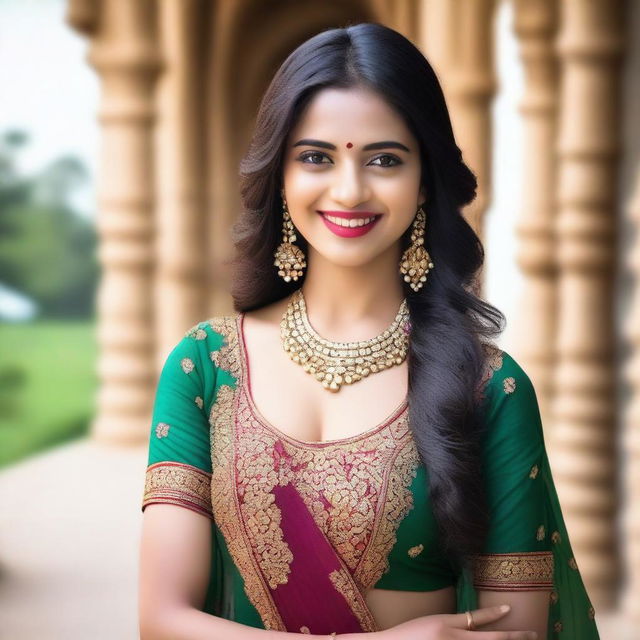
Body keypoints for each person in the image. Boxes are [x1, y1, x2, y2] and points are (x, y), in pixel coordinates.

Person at [138, 22, 599, 640]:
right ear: (280, 177)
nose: (349, 189)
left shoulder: (489, 388)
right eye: (316, 157)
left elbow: (515, 633)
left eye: (384, 159)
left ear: (424, 182)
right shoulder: (206, 365)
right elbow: (160, 621)